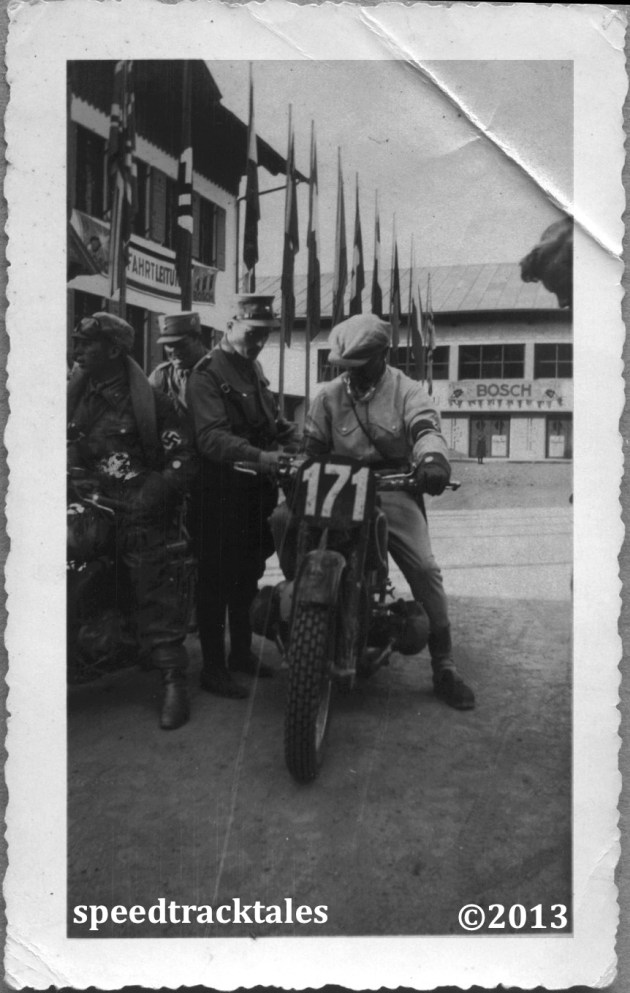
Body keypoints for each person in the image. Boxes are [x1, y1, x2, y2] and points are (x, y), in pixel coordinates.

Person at [273, 313, 475, 711]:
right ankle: (302, 599)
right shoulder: (328, 395)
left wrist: (432, 461)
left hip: (391, 486)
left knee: (424, 567)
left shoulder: (407, 391)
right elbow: (311, 448)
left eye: (361, 367)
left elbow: (425, 430)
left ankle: (444, 665)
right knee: (282, 519)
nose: (353, 376)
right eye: (346, 368)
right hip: (337, 485)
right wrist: (296, 471)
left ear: (384, 354)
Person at [67, 312, 197, 730]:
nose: (78, 349)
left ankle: (173, 674)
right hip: (86, 499)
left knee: (147, 571)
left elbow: (182, 455)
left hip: (133, 503)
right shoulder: (75, 393)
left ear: (114, 350)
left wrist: (155, 489)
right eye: (77, 342)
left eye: (87, 343)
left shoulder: (149, 400)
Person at [186, 294, 298, 699]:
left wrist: (298, 436)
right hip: (219, 494)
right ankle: (213, 668)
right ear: (230, 326)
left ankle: (241, 654)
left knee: (248, 572)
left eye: (265, 335)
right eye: (253, 334)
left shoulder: (252, 369)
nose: (259, 343)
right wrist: (262, 457)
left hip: (254, 492)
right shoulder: (207, 375)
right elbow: (212, 438)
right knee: (216, 580)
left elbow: (268, 422)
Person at [149, 311, 209, 419]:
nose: (175, 352)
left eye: (181, 345)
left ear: (198, 339)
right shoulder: (162, 375)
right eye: (168, 345)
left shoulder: (218, 369)